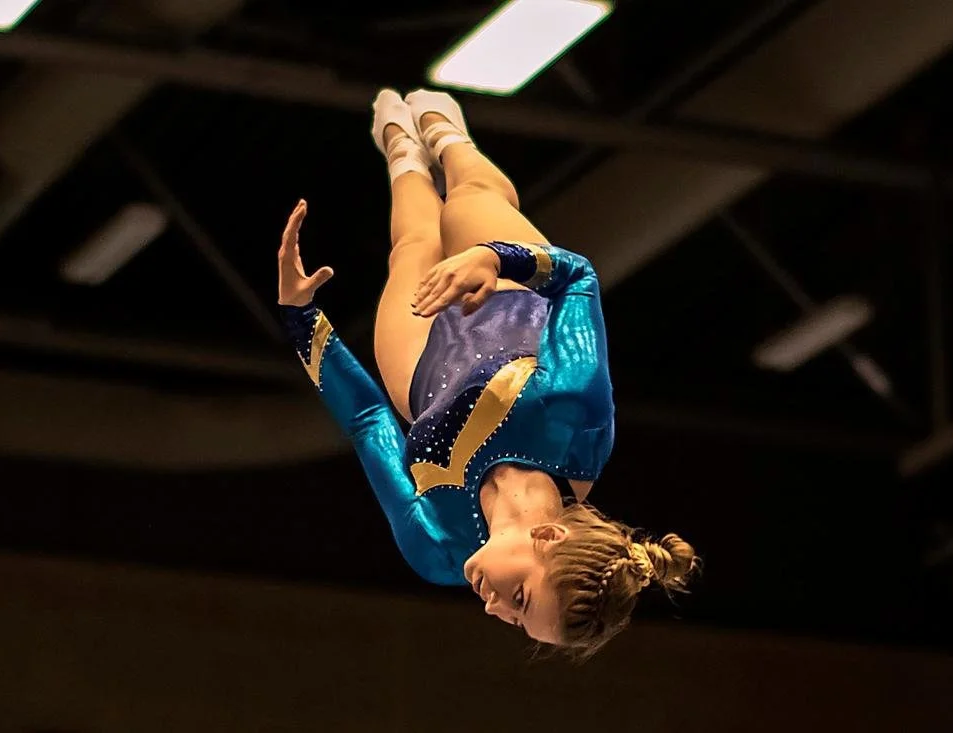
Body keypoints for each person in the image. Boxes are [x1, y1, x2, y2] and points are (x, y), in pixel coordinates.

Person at [276, 88, 697, 659]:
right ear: (549, 537)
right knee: (470, 198)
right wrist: (494, 259)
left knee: (413, 245)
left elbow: (370, 421)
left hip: (421, 366)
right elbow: (579, 279)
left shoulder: (439, 551)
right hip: (508, 296)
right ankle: (446, 134)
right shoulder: (575, 423)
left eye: (515, 622)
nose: (494, 609)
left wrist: (301, 318)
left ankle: (399, 148)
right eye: (520, 600)